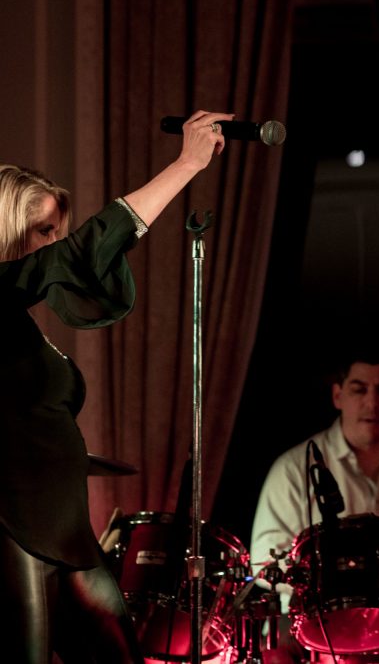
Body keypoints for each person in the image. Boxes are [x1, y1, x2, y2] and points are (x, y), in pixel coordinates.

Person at [0, 111, 231, 663]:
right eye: (45, 232)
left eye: (57, 232)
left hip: (64, 529)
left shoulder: (19, 326)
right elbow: (85, 250)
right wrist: (187, 165)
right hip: (14, 524)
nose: (55, 244)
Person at [249, 349, 379, 662]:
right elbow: (263, 561)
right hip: (311, 625)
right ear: (338, 396)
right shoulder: (292, 469)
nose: (372, 403)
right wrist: (311, 582)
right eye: (359, 390)